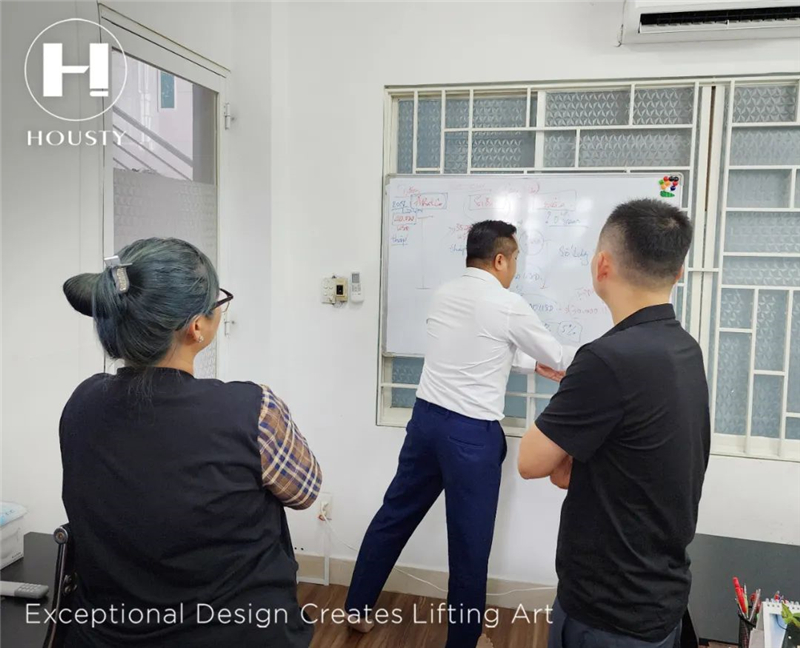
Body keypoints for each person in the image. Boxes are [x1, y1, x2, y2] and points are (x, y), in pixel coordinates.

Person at [60, 238, 321, 648]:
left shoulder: (82, 402)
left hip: (105, 635)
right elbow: (305, 492)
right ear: (197, 327)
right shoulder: (253, 410)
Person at [346, 220, 576, 648]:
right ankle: (465, 641)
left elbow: (476, 345)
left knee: (394, 516)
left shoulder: (445, 294)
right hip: (470, 436)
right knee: (470, 548)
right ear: (500, 259)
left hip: (425, 423)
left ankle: (357, 607)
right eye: (515, 260)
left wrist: (529, 364)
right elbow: (557, 354)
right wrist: (607, 354)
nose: (516, 270)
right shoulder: (506, 303)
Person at [517, 199, 710, 648]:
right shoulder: (685, 350)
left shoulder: (606, 360)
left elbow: (530, 462)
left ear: (602, 265)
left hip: (607, 612)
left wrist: (579, 391)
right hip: (659, 599)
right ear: (679, 273)